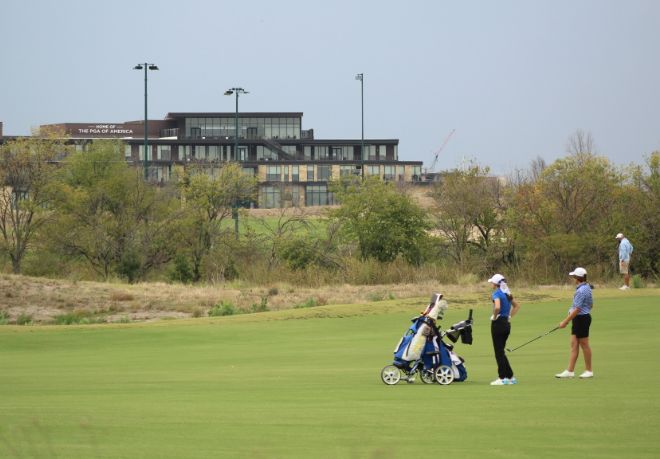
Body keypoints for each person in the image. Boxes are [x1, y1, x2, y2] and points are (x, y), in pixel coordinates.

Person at [555, 267, 594, 379]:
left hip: (582, 319)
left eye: (574, 277)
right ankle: (570, 371)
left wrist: (565, 321)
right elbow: (591, 305)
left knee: (584, 344)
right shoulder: (586, 287)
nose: (572, 279)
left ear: (577, 278)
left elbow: (577, 309)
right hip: (578, 318)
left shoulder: (581, 291)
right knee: (574, 344)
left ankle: (589, 370)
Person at [488, 273, 521, 386]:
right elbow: (517, 306)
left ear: (496, 284)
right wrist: (509, 316)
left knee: (498, 352)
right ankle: (510, 377)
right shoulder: (507, 293)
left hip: (498, 324)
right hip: (506, 324)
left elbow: (497, 307)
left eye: (492, 282)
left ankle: (502, 378)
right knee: (501, 351)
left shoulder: (496, 293)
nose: (491, 284)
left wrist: (495, 316)